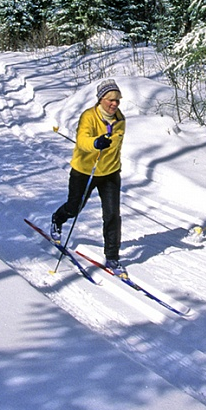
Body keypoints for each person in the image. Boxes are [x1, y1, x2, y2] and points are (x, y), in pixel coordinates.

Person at [51, 79, 128, 277]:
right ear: (100, 99)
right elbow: (82, 140)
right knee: (74, 207)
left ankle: (112, 257)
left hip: (110, 173)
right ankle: (57, 219)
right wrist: (95, 143)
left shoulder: (121, 120)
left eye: (117, 100)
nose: (114, 104)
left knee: (112, 215)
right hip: (85, 171)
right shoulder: (88, 117)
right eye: (110, 100)